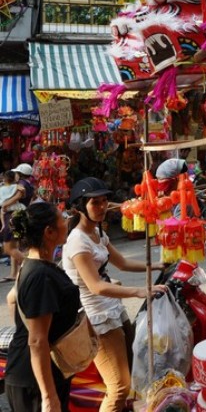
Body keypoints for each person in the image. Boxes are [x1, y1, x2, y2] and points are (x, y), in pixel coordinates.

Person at [62, 177, 167, 412]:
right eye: (94, 203)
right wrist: (139, 291)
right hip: (97, 318)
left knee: (133, 368)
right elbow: (96, 286)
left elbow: (122, 262)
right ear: (79, 207)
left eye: (104, 201)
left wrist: (158, 266)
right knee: (119, 386)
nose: (102, 207)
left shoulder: (97, 233)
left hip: (113, 310)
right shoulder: (78, 241)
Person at [4, 202, 79, 412]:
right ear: (49, 232)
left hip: (45, 373)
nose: (67, 222)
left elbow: (12, 299)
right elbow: (37, 341)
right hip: (35, 382)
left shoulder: (35, 265)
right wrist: (48, 396)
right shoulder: (40, 275)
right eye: (62, 219)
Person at [0, 170, 27, 281]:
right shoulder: (18, 186)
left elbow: (3, 206)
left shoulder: (3, 189)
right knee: (14, 246)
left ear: (5, 179)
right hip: (18, 214)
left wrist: (6, 204)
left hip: (11, 216)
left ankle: (30, 264)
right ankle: (16, 272)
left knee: (8, 248)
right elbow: (22, 192)